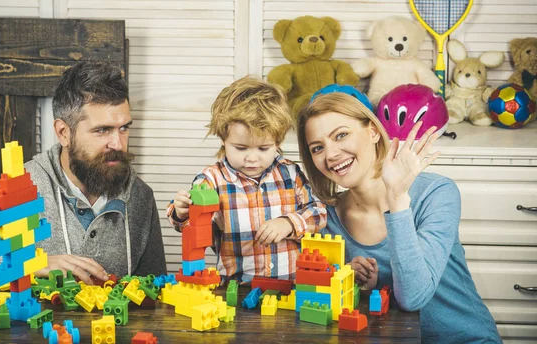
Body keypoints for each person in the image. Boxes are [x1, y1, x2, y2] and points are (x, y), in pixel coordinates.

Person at [0, 61, 167, 288]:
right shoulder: (23, 185)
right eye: (102, 130)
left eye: (124, 128)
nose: (118, 143)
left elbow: (155, 289)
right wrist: (30, 264)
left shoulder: (141, 195)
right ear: (63, 133)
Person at [297, 92, 501, 343]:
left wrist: (397, 200)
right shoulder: (324, 220)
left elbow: (414, 296)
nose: (330, 155)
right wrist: (355, 284)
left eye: (341, 135)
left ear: (372, 132)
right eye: (317, 148)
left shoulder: (436, 193)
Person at [167, 77, 326, 283]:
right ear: (223, 139)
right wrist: (181, 212)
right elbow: (189, 226)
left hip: (292, 286)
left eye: (263, 148)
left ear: (277, 142)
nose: (252, 158)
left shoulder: (290, 172)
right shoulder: (212, 180)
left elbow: (319, 212)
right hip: (238, 288)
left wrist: (288, 223)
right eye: (241, 148)